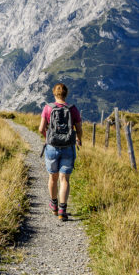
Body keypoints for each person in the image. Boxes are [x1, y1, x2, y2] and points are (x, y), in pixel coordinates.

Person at [38, 83, 82, 221]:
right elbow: (79, 128)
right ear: (66, 94)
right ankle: (63, 209)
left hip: (52, 147)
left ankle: (54, 205)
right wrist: (78, 139)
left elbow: (41, 129)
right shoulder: (73, 109)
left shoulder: (48, 108)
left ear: (54, 93)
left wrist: (48, 138)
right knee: (65, 179)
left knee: (53, 177)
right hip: (68, 147)